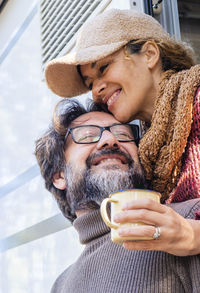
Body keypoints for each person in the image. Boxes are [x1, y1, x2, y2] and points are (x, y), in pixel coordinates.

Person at [44, 9, 200, 255]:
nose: (96, 91)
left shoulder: (197, 103)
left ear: (149, 54)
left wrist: (192, 236)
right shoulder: (150, 149)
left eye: (103, 68)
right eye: (89, 83)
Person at [35, 99, 200, 293]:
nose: (110, 140)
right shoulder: (60, 286)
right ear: (59, 176)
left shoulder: (188, 221)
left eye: (123, 134)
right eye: (88, 135)